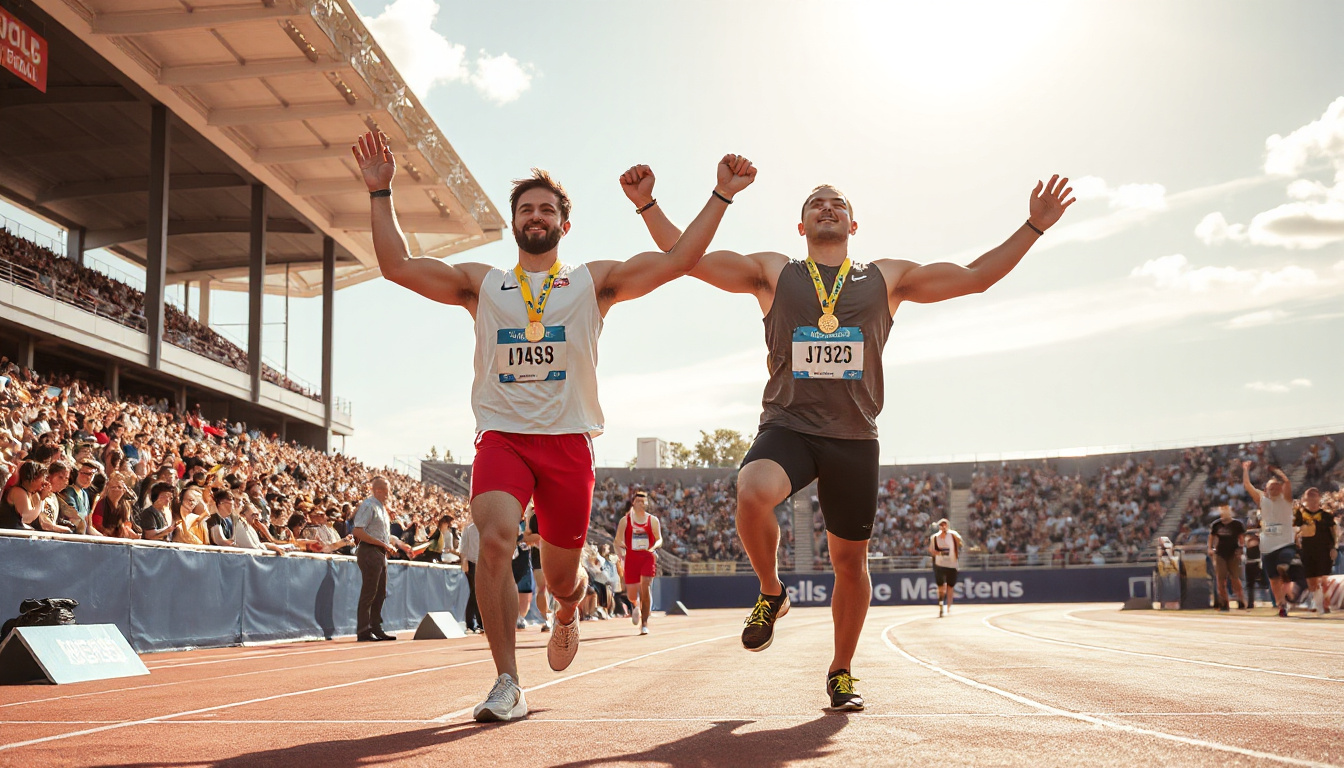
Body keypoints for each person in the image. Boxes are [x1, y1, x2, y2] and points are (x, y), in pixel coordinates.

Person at [625, 163, 1074, 711]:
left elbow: (975, 275)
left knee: (849, 565)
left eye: (837, 203)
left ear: (854, 225)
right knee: (751, 490)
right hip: (788, 426)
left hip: (854, 438)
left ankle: (841, 670)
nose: (827, 207)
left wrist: (1034, 227)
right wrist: (650, 206)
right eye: (816, 202)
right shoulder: (774, 272)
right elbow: (684, 260)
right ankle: (771, 591)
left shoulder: (887, 278)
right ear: (801, 226)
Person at [353, 128, 755, 723]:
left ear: (564, 226)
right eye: (525, 208)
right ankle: (507, 682)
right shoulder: (482, 285)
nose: (535, 216)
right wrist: (381, 192)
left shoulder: (593, 282)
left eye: (546, 209)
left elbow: (678, 262)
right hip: (502, 438)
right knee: (493, 540)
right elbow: (398, 266)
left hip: (569, 444)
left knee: (563, 580)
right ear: (513, 222)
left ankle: (568, 610)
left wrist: (715, 195)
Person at [351, 476, 413, 642]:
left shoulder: (382, 508)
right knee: (369, 593)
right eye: (387, 490)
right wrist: (382, 544)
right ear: (379, 490)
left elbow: (381, 534)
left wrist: (396, 545)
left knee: (380, 593)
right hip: (370, 551)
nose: (389, 494)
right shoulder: (369, 505)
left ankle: (376, 628)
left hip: (379, 552)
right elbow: (357, 531)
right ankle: (364, 631)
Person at [1243, 461, 1295, 617]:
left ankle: (1291, 593)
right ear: (1265, 490)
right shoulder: (1262, 500)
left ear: (1280, 489)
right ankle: (1282, 605)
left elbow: (1287, 482)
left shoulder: (1286, 500)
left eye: (1276, 487)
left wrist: (1277, 471)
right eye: (1270, 488)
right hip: (1267, 547)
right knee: (1273, 579)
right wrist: (1245, 469)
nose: (1273, 490)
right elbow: (1247, 485)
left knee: (1283, 568)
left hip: (1285, 543)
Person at [614, 491, 662, 635]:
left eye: (643, 501)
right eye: (638, 501)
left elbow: (659, 538)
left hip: (647, 557)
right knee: (632, 595)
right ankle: (635, 605)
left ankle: (645, 623)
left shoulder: (653, 520)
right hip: (631, 558)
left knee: (645, 585)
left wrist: (653, 548)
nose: (641, 504)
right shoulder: (625, 521)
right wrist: (622, 551)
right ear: (633, 503)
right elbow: (617, 540)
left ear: (647, 504)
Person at [1294, 487, 1337, 614]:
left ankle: (1323, 604)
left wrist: (1334, 548)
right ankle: (1317, 602)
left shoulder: (1327, 516)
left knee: (1323, 579)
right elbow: (1295, 530)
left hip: (1324, 551)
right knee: (1311, 580)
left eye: (1315, 497)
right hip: (1307, 551)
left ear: (1319, 498)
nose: (1312, 500)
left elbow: (1334, 533)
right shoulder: (1300, 514)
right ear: (1305, 499)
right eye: (1309, 497)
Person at [1206, 505, 1247, 611]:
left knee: (1234, 577)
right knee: (1221, 578)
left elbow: (1241, 538)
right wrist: (1210, 548)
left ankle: (1240, 599)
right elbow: (1211, 537)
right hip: (1220, 553)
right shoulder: (1216, 525)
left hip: (1233, 553)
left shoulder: (1237, 524)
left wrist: (1241, 548)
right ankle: (1224, 601)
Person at [522, 507, 551, 632]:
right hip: (538, 554)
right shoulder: (531, 513)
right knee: (542, 588)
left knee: (554, 589)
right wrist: (537, 538)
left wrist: (538, 537)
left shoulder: (553, 508)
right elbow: (527, 537)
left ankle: (559, 617)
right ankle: (546, 618)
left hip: (554, 552)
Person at [928, 518, 962, 618]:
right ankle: (941, 602)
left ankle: (949, 606)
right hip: (940, 564)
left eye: (945, 525)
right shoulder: (934, 537)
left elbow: (960, 542)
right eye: (941, 525)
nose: (943, 527)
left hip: (952, 564)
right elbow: (931, 550)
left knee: (950, 587)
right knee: (941, 586)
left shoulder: (953, 535)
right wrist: (939, 553)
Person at [460, 521, 483, 633]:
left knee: (477, 592)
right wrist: (464, 562)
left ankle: (476, 622)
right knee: (475, 592)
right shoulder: (469, 528)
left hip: (484, 563)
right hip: (472, 562)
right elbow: (463, 547)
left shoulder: (487, 525)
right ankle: (475, 622)